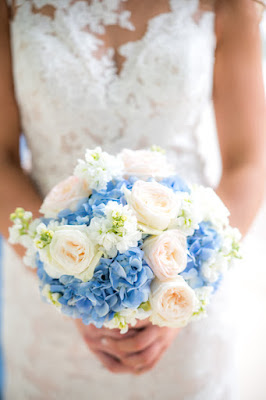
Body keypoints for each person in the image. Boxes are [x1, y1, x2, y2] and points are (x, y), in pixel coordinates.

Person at [0, 0, 265, 399]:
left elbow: (249, 162)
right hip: (48, 296)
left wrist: (182, 292)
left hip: (186, 292)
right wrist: (64, 281)